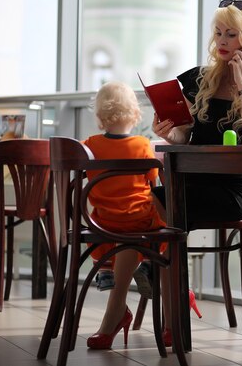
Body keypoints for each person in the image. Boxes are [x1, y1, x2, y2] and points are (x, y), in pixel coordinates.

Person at [146, 0, 242, 341]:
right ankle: (175, 302)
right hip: (189, 182)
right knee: (164, 205)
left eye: (231, 34)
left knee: (166, 211)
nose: (221, 41)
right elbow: (185, 134)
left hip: (232, 191)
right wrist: (169, 132)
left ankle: (163, 286)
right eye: (218, 33)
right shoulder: (198, 80)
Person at [82, 81, 169, 350]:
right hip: (138, 221)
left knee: (125, 233)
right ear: (135, 114)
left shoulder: (89, 146)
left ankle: (117, 308)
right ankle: (156, 270)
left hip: (102, 224)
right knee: (167, 225)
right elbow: (153, 182)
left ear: (99, 118)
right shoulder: (143, 146)